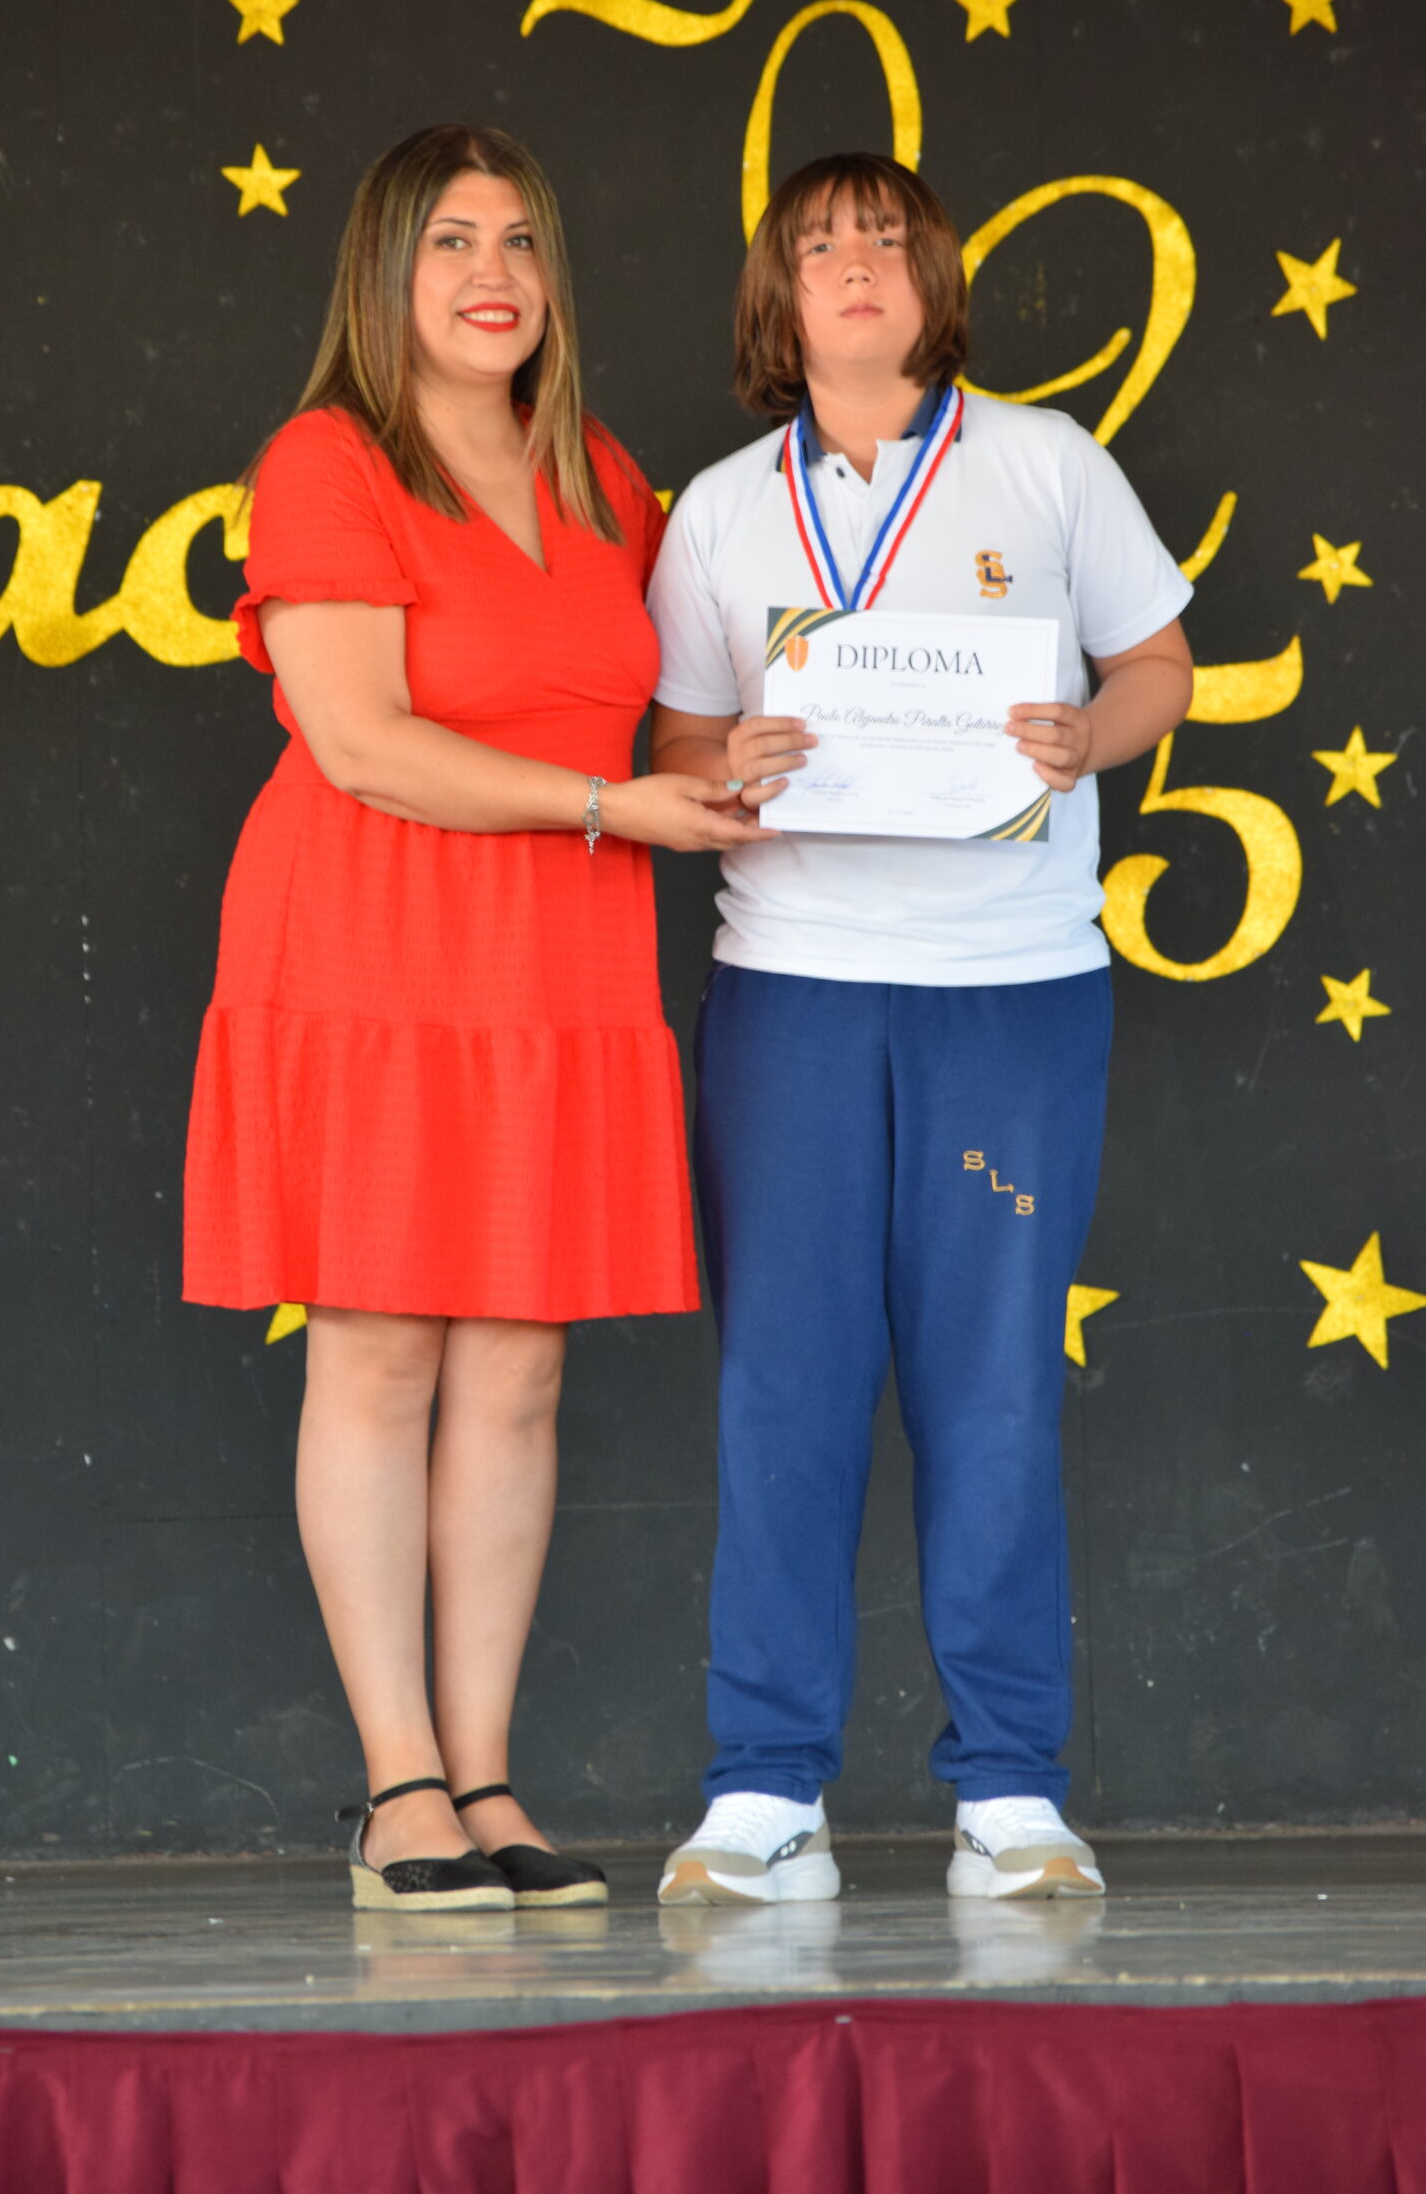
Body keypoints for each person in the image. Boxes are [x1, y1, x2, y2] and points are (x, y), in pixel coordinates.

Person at [184, 123, 763, 1912]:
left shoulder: (603, 473)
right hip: (373, 934)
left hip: (557, 953)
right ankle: (399, 1790)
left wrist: (747, 754)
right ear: (385, 272)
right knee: (377, 1349)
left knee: (519, 1365)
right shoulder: (328, 460)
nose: (490, 273)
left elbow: (650, 715)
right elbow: (362, 742)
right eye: (449, 241)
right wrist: (611, 807)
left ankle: (489, 1778)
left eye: (517, 240)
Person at [647, 152, 1194, 1906]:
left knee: (995, 1385)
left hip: (1013, 987)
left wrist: (1093, 737)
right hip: (794, 984)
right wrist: (723, 765)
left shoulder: (1047, 461)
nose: (857, 265)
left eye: (886, 240)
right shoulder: (720, 508)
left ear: (935, 278)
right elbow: (676, 740)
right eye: (820, 246)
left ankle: (1011, 1792)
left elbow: (1160, 665)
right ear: (778, 298)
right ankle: (765, 1790)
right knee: (784, 1387)